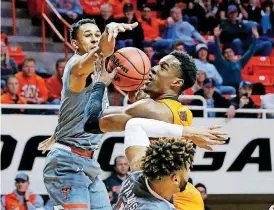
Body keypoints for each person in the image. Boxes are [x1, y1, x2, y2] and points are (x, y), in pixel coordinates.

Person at [82, 51, 227, 209]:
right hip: (185, 195)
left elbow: (91, 122)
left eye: (163, 67)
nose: (153, 68)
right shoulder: (184, 112)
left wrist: (99, 84)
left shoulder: (150, 109)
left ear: (176, 83)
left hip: (161, 197)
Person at [39, 18, 138, 210]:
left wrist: (59, 132)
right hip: (67, 163)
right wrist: (108, 33)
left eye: (96, 34)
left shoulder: (98, 73)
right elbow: (103, 51)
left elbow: (80, 110)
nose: (94, 38)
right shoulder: (76, 65)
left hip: (89, 163)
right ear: (75, 44)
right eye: (88, 35)